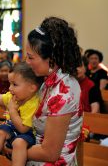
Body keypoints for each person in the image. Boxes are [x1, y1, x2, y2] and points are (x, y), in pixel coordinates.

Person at [22, 17, 82, 165]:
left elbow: (50, 153)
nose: (27, 62)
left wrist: (13, 150)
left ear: (51, 59)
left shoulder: (63, 93)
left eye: (31, 57)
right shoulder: (50, 81)